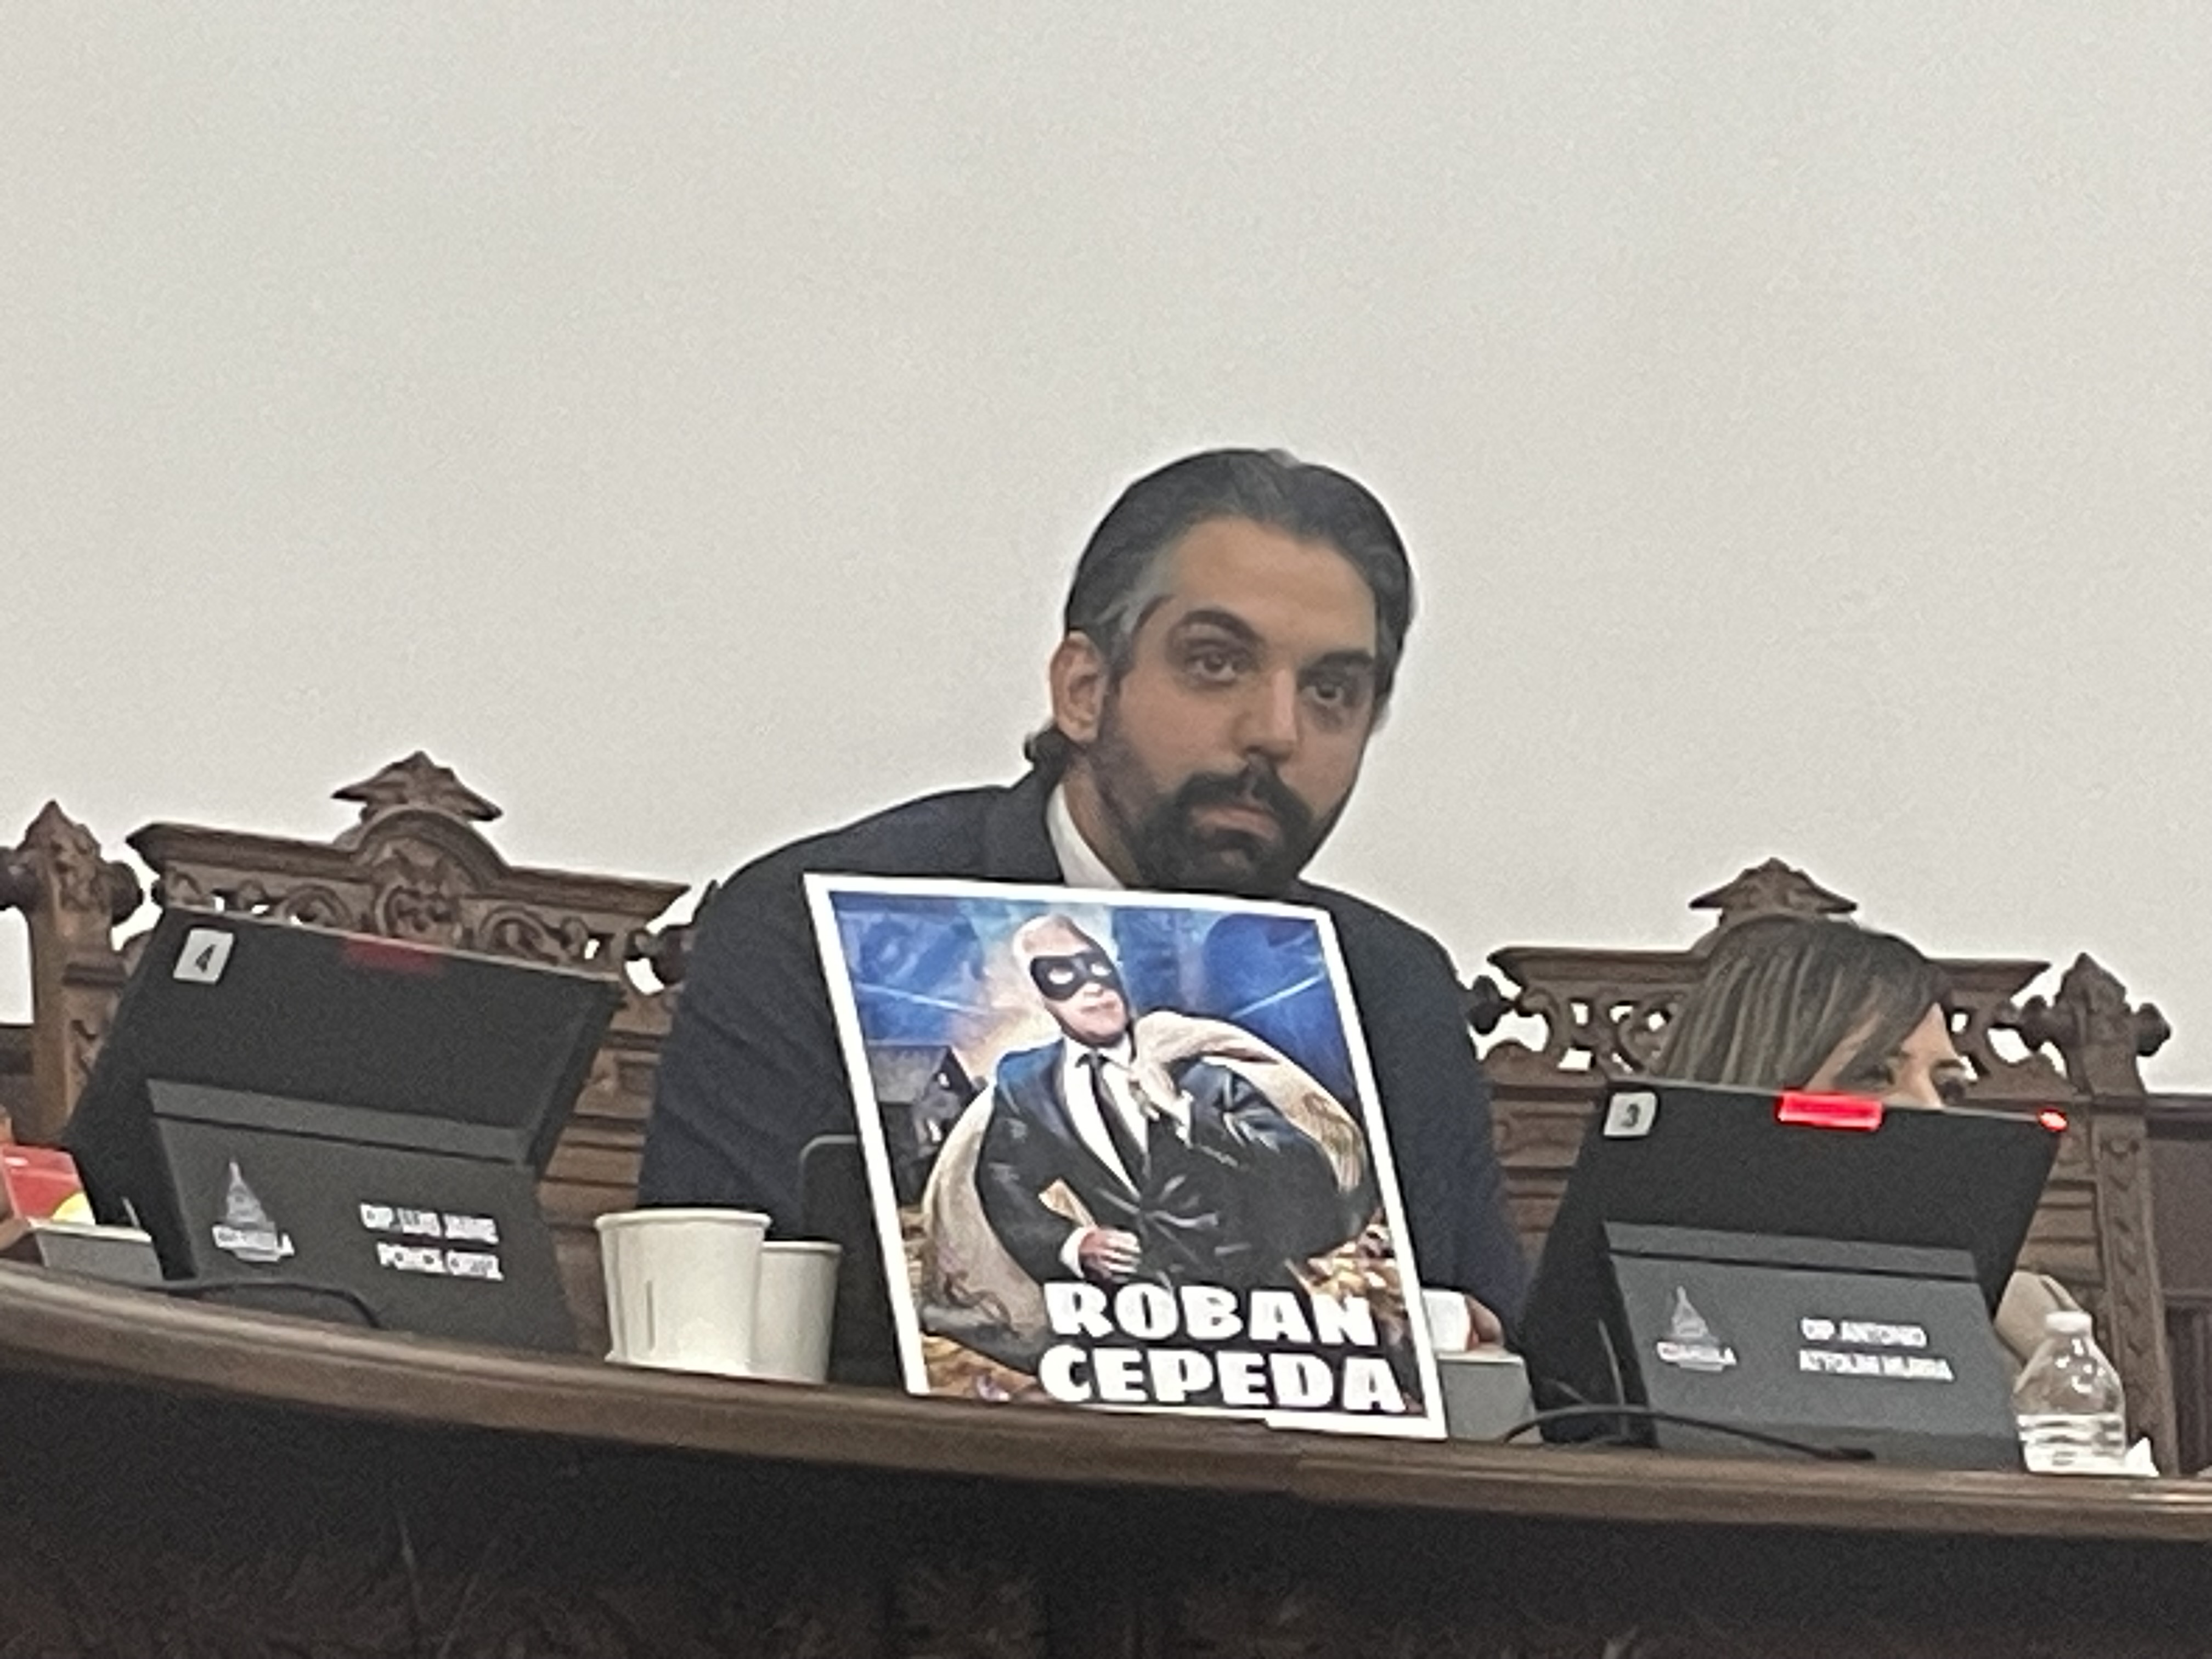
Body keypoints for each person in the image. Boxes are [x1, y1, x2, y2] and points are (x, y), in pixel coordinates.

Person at [640, 447, 1527, 1332]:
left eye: (1332, 690)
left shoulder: (1393, 988)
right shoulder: (804, 927)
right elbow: (706, 1337)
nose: (1276, 731)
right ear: (1084, 689)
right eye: (1216, 663)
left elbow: (1512, 1362)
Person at [1659, 911, 2076, 1364]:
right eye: (1875, 1077)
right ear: (1754, 1088)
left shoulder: (2030, 1316)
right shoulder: (1652, 1304)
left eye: (1948, 1088)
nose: (1930, 1109)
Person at [972, 915, 1346, 1293]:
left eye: (1097, 966)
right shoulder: (1028, 1083)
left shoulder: (1197, 1069)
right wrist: (1072, 1245)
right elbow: (1002, 1177)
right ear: (1036, 994)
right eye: (1060, 974)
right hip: (1129, 1305)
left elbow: (1303, 1166)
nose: (1092, 987)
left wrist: (1186, 1112)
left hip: (1250, 1294)